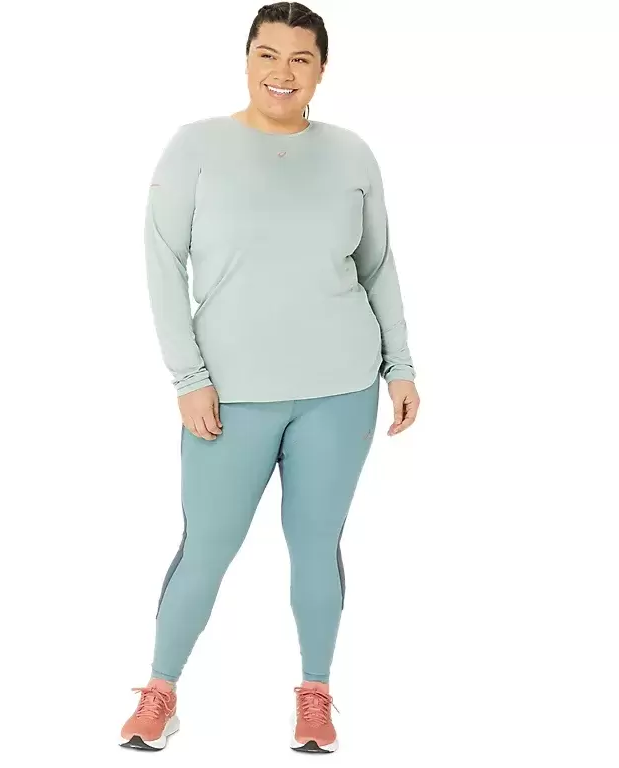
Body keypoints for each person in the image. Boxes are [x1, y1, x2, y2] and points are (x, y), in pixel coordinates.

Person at [120, 2, 420, 754]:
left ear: (321, 70)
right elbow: (162, 261)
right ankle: (161, 691)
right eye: (268, 54)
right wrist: (187, 376)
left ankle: (315, 694)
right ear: (247, 58)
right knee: (206, 548)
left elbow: (378, 266)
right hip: (229, 395)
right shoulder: (196, 147)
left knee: (316, 547)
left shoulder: (351, 155)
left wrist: (401, 366)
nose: (282, 72)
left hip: (340, 389)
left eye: (300, 59)